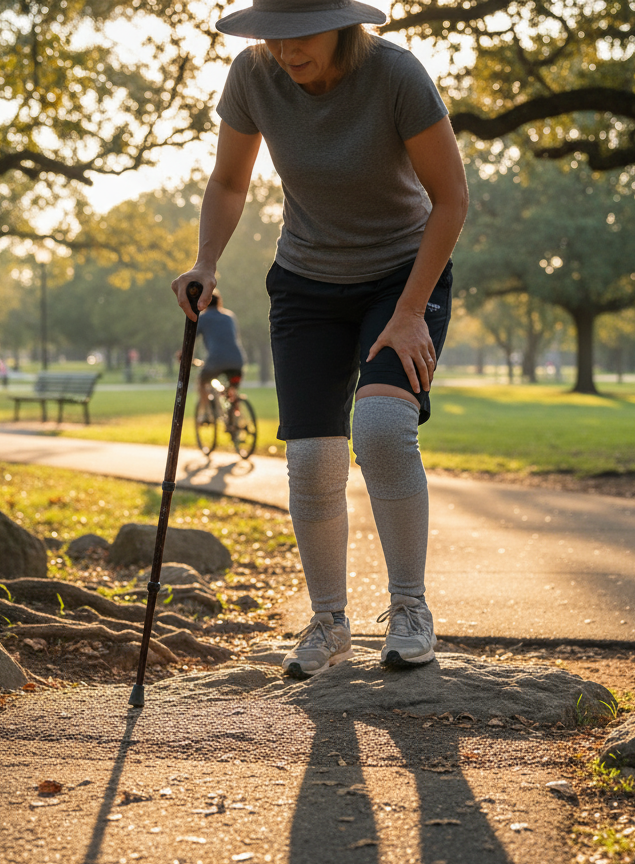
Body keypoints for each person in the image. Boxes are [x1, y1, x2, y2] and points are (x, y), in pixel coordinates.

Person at [172, 0, 468, 677]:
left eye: (299, 33)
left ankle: (410, 609)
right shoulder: (252, 77)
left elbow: (450, 196)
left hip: (402, 274)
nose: (284, 49)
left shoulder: (396, 75)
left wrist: (410, 309)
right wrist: (205, 263)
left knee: (385, 431)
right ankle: (330, 624)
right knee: (309, 461)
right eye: (272, 34)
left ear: (341, 23)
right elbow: (227, 180)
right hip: (307, 283)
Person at [194, 290, 247, 424]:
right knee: (232, 390)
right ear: (219, 302)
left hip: (216, 360)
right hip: (237, 359)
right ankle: (236, 419)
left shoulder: (203, 318)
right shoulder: (229, 316)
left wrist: (183, 355)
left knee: (202, 381)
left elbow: (191, 340)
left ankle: (206, 414)